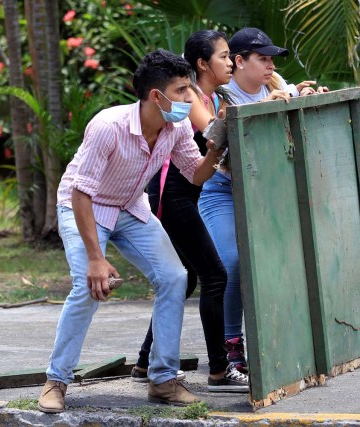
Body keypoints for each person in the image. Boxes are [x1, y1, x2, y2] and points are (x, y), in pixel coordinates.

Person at [37, 49, 225, 413]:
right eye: (183, 90)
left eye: (190, 89)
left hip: (129, 205)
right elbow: (80, 192)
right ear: (157, 96)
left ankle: (163, 381)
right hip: (85, 207)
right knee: (87, 287)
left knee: (174, 277)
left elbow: (194, 174)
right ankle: (56, 381)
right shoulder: (109, 126)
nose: (191, 98)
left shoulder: (177, 126)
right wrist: (96, 258)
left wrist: (216, 148)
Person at [197, 28, 328, 373]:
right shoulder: (221, 96)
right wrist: (258, 112)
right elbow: (220, 146)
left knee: (284, 258)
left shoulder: (277, 83)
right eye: (263, 59)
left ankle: (282, 341)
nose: (271, 66)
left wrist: (306, 98)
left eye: (272, 59)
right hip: (221, 190)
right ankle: (230, 345)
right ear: (239, 61)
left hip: (266, 189)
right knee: (232, 261)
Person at [131, 30, 249, 393]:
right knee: (214, 276)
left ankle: (144, 361)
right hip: (174, 195)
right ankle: (219, 370)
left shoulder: (214, 96)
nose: (231, 63)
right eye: (224, 56)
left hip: (188, 192)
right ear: (203, 63)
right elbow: (212, 132)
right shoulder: (193, 98)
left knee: (186, 280)